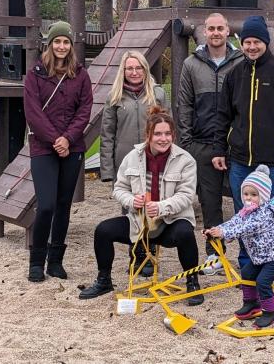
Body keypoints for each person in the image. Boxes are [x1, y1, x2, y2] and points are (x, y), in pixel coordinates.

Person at [211, 15, 274, 301]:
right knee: (244, 219)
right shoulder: (235, 74)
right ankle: (249, 275)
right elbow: (223, 115)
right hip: (241, 160)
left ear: (265, 43)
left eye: (256, 42)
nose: (251, 47)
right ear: (241, 43)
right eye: (247, 42)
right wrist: (219, 148)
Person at [79, 107, 204, 306]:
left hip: (171, 221)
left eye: (167, 134)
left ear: (173, 135)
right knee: (103, 230)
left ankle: (193, 282)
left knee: (186, 232)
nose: (163, 139)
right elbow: (119, 189)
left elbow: (187, 196)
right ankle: (104, 280)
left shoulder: (185, 160)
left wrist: (162, 206)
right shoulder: (132, 157)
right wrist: (131, 201)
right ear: (148, 135)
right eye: (157, 134)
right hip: (139, 221)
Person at [23, 21, 93, 283]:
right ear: (49, 44)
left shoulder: (80, 75)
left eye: (66, 42)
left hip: (72, 146)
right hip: (44, 147)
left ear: (71, 46)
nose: (61, 46)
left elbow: (85, 109)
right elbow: (34, 112)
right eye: (57, 41)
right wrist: (55, 139)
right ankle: (36, 260)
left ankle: (56, 261)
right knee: (46, 205)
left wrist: (68, 138)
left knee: (64, 205)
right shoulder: (35, 75)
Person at [176, 13, 243, 272]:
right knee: (210, 201)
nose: (215, 33)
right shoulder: (192, 64)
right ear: (205, 32)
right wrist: (187, 141)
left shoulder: (240, 62)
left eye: (220, 28)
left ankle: (249, 254)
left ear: (228, 31)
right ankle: (214, 253)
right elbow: (185, 104)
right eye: (211, 29)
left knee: (243, 199)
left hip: (235, 143)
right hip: (202, 142)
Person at [101, 51, 169, 277]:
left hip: (153, 159)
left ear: (145, 69)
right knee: (131, 208)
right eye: (130, 68)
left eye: (138, 67)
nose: (134, 72)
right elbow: (107, 134)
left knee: (152, 206)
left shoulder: (157, 94)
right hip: (126, 160)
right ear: (124, 71)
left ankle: (149, 253)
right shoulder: (115, 97)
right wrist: (107, 170)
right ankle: (136, 253)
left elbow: (167, 126)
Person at [204, 165, 274, 328]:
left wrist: (224, 234)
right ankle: (252, 303)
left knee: (263, 281)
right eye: (246, 194)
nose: (249, 198)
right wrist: (218, 229)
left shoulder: (264, 214)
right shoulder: (247, 210)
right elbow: (235, 222)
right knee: (246, 272)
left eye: (254, 195)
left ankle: (270, 311)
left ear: (264, 196)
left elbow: (246, 227)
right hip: (262, 256)